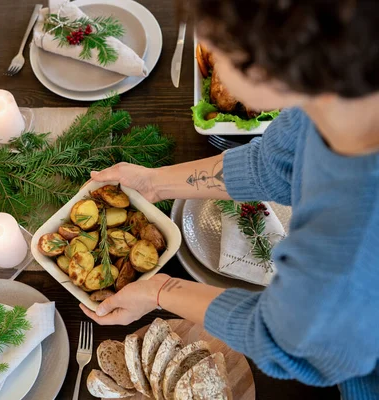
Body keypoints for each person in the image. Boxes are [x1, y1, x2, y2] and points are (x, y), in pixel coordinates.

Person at [79, 1, 379, 398]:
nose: (208, 56)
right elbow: (276, 162)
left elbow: (284, 338)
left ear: (267, 64)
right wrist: (153, 184)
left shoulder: (349, 237)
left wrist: (159, 290)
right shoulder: (340, 95)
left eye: (216, 47)